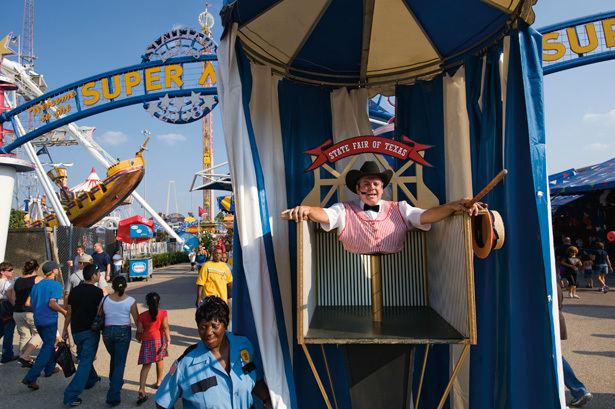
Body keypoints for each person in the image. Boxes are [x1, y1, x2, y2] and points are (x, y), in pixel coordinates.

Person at [285, 161, 483, 254]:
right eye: (365, 184)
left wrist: (454, 205)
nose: (371, 187)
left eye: (376, 184)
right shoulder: (343, 209)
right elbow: (326, 214)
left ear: (382, 189)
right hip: (352, 279)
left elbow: (427, 216)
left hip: (399, 276)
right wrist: (308, 210)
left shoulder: (400, 208)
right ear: (357, 188)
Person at [155, 296, 272, 409]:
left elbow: (256, 380)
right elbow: (162, 403)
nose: (208, 332)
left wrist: (267, 400)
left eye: (214, 326)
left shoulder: (244, 346)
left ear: (225, 325)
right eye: (203, 327)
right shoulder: (185, 364)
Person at [62, 264, 105, 406]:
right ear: (93, 276)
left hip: (76, 330)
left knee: (84, 356)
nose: (99, 276)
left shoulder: (74, 292)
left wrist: (64, 329)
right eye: (98, 273)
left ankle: (91, 379)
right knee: (85, 361)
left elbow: (69, 312)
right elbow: (101, 312)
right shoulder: (98, 292)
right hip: (90, 331)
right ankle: (70, 395)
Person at [22, 261, 66, 390]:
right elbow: (52, 304)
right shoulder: (56, 285)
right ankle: (31, 377)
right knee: (47, 346)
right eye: (57, 269)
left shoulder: (37, 285)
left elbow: (28, 303)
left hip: (38, 319)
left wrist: (39, 305)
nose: (58, 271)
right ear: (53, 271)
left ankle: (49, 369)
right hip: (49, 320)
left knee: (50, 343)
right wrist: (63, 311)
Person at [102, 276, 142, 406]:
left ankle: (114, 381)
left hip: (107, 332)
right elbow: (137, 320)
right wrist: (139, 334)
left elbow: (99, 315)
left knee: (114, 357)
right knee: (119, 363)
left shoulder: (105, 299)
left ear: (112, 286)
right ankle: (113, 395)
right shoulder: (130, 301)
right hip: (123, 332)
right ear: (125, 286)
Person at [557, 279, 592, 407]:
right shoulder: (552, 278)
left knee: (554, 357)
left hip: (549, 322)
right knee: (553, 356)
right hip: (557, 319)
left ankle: (579, 390)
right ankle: (579, 391)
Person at [136, 292, 171, 405]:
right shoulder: (162, 313)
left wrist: (138, 338)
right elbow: (165, 328)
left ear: (146, 303)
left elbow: (140, 331)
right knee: (159, 361)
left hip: (147, 341)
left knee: (146, 366)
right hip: (159, 340)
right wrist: (168, 339)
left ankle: (142, 388)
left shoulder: (142, 316)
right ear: (159, 302)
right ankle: (159, 382)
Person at [13, 259, 43, 367]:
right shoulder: (38, 279)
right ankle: (25, 356)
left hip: (17, 311)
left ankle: (23, 357)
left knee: (24, 335)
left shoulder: (18, 280)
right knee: (39, 333)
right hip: (31, 311)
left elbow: (14, 296)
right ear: (36, 268)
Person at [0, 261, 17, 363]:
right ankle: (7, 355)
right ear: (2, 271)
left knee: (1, 329)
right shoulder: (6, 283)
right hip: (6, 307)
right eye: (9, 270)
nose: (12, 271)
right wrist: (16, 306)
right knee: (8, 330)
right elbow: (10, 297)